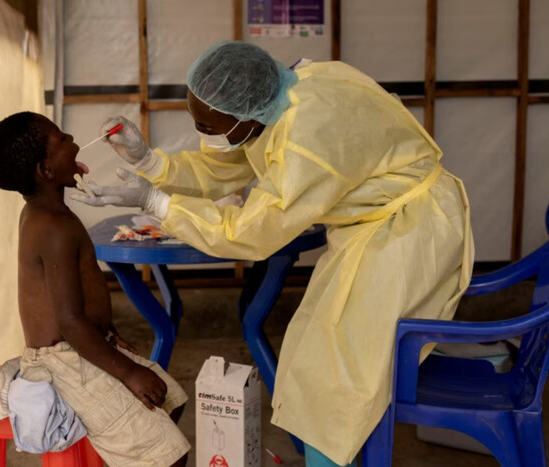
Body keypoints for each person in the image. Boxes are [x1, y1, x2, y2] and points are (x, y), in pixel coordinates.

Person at [74, 41, 474, 467]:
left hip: (408, 232)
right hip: (376, 228)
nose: (204, 134)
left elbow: (252, 232)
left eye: (209, 126)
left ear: (246, 115)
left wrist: (157, 204)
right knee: (314, 357)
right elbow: (226, 166)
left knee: (340, 376)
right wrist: (152, 163)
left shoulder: (309, 137)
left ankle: (335, 455)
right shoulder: (285, 93)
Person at [0, 111, 190, 467]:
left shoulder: (45, 214)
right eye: (62, 139)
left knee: (171, 399)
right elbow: (68, 321)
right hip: (64, 361)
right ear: (46, 171)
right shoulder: (54, 228)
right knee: (168, 457)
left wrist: (108, 332)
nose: (74, 139)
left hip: (80, 343)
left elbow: (70, 308)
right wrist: (128, 372)